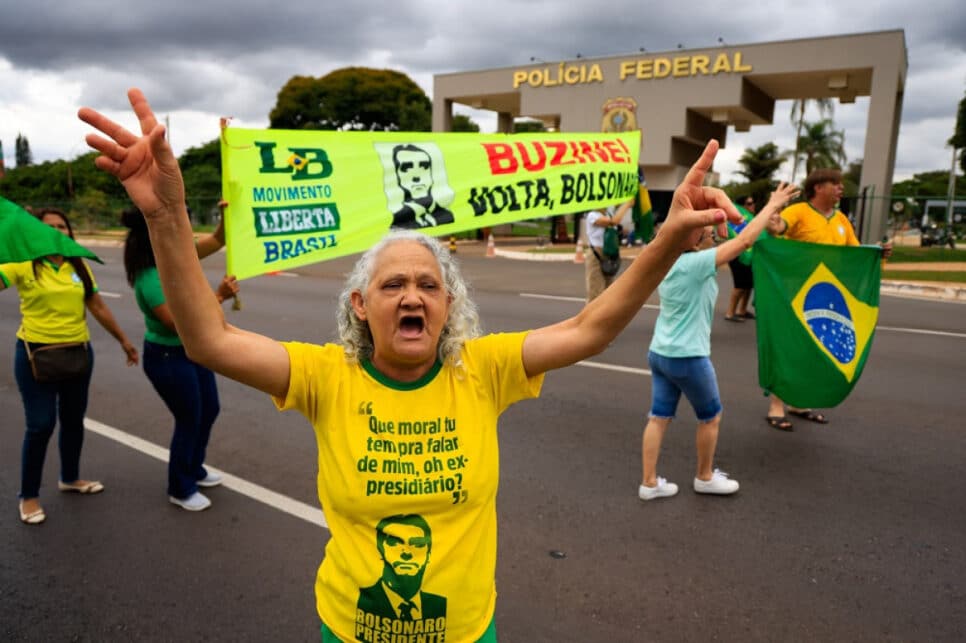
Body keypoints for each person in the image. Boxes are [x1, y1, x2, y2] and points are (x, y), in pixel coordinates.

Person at [79, 88, 741, 642]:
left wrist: (667, 237)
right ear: (360, 305)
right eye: (393, 284)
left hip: (467, 630)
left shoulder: (483, 368)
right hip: (349, 629)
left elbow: (590, 327)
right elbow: (208, 339)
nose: (413, 295)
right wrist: (166, 216)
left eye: (429, 284)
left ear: (448, 305)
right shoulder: (326, 376)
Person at [640, 182, 800, 501]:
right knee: (710, 416)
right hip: (688, 357)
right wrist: (772, 205)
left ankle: (649, 483)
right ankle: (704, 477)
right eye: (706, 231)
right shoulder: (696, 264)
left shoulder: (666, 261)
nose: (711, 234)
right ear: (693, 238)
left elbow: (727, 240)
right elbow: (744, 241)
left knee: (659, 417)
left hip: (660, 352)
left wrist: (716, 218)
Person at [0, 207, 139, 525]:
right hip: (36, 357)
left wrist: (124, 341)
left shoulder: (78, 265)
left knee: (74, 421)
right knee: (40, 425)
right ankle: (28, 496)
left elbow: (97, 306)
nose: (57, 231)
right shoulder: (23, 262)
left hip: (78, 354)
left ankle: (70, 478)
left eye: (62, 226)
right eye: (49, 226)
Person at [121, 208, 239, 511]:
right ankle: (180, 487)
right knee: (189, 418)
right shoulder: (150, 277)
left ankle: (194, 468)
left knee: (209, 409)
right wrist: (220, 296)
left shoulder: (177, 254)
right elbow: (179, 322)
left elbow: (218, 240)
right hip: (167, 357)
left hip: (192, 352)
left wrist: (226, 214)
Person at [762, 168, 892, 431]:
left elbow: (855, 253)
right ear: (818, 188)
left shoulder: (841, 219)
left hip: (827, 296)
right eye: (835, 183)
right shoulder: (799, 211)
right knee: (789, 347)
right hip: (795, 292)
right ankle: (776, 405)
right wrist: (772, 213)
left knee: (814, 349)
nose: (841, 188)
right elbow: (777, 228)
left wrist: (876, 252)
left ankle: (799, 403)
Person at [356, 514, 447, 624]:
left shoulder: (441, 604)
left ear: (429, 554)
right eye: (394, 543)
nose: (406, 553)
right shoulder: (358, 598)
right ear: (380, 550)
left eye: (418, 544)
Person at [389, 144, 455, 229]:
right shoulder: (397, 221)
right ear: (396, 175)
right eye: (406, 168)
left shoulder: (447, 215)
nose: (417, 177)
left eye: (424, 167)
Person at [583, 199, 630, 302]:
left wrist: (627, 199)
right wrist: (627, 205)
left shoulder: (608, 214)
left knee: (608, 290)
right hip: (596, 254)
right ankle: (593, 312)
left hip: (610, 254)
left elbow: (617, 204)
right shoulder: (592, 215)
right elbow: (613, 222)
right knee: (596, 291)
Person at [724, 196, 758, 322]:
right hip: (737, 256)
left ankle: (742, 310)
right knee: (739, 285)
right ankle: (730, 313)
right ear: (742, 206)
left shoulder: (751, 219)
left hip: (750, 256)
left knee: (748, 285)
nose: (753, 205)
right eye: (749, 203)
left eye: (753, 202)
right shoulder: (735, 221)